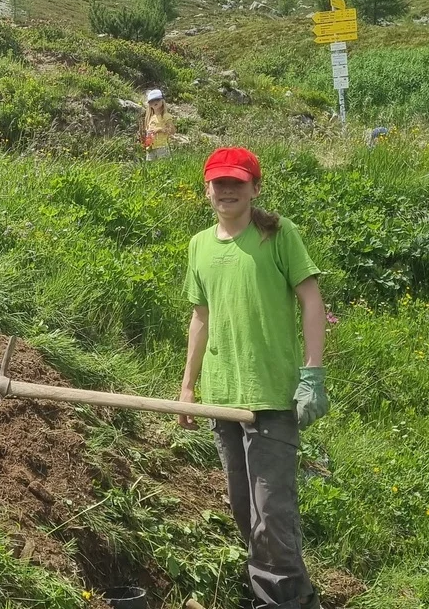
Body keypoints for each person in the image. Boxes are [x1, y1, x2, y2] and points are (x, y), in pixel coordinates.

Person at [178, 147, 329, 609]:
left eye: (236, 183)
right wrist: (188, 386)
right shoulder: (200, 245)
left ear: (254, 188)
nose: (226, 190)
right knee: (246, 510)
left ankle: (285, 602)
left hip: (271, 394)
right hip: (222, 395)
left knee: (272, 515)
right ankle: (285, 596)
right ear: (207, 188)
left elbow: (311, 300)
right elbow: (200, 317)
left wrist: (312, 373)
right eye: (218, 182)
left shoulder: (278, 235)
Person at [139, 88, 176, 161]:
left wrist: (159, 129)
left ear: (162, 101)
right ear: (149, 104)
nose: (155, 102)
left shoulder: (165, 116)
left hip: (161, 146)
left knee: (163, 166)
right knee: (151, 168)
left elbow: (172, 130)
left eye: (157, 100)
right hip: (150, 147)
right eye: (152, 101)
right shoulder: (150, 118)